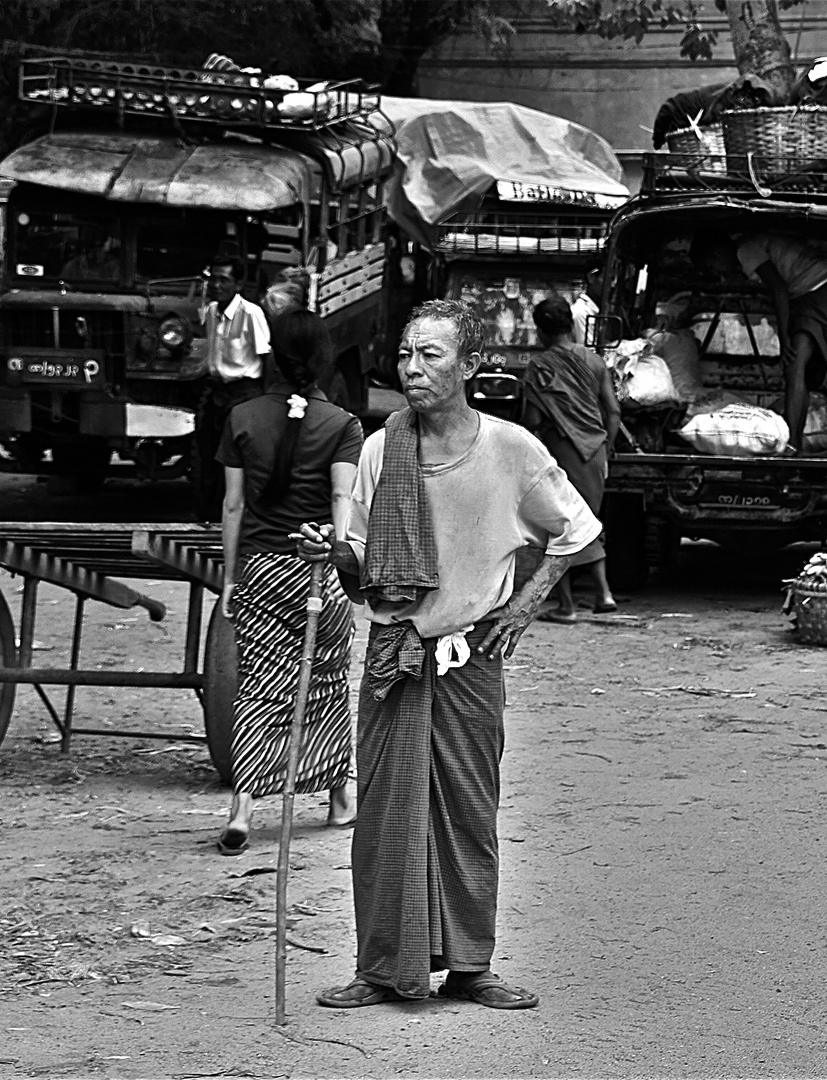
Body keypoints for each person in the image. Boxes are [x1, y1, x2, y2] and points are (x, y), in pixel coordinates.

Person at [297, 299, 601, 1010]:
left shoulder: (511, 449)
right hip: (393, 654)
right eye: (405, 354)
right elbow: (361, 567)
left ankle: (470, 967)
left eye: (431, 355)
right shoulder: (380, 448)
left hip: (470, 656)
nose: (413, 368)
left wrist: (522, 609)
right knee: (382, 817)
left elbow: (576, 532)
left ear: (469, 366)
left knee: (469, 811)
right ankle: (380, 967)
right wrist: (335, 551)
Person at [214, 306, 363, 855]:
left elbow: (233, 506)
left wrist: (231, 578)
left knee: (258, 691)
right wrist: (338, 558)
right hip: (318, 574)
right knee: (325, 683)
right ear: (325, 361)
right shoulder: (344, 426)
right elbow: (341, 500)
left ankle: (242, 809)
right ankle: (340, 800)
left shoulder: (242, 416)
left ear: (273, 355)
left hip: (259, 568)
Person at [694, 232, 827, 452]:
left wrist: (784, 339)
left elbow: (779, 291)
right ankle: (795, 445)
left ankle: (792, 447)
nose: (717, 273)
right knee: (795, 371)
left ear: (717, 253)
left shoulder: (745, 250)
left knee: (794, 367)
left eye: (711, 265)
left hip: (817, 291)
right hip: (813, 294)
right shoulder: (748, 249)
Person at [522, 296, 620, 621]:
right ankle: (603, 594)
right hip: (595, 451)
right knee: (590, 522)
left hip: (560, 451)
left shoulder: (540, 366)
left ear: (541, 331)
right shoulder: (594, 361)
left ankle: (566, 606)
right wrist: (609, 445)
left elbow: (534, 422)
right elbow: (614, 410)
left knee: (559, 525)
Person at [196, 257, 272, 520]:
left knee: (238, 457)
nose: (216, 285)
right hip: (218, 390)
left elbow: (266, 356)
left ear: (238, 284)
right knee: (208, 452)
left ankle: (240, 514)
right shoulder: (211, 312)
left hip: (244, 392)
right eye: (213, 279)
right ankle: (208, 514)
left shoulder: (251, 313)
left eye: (223, 280)